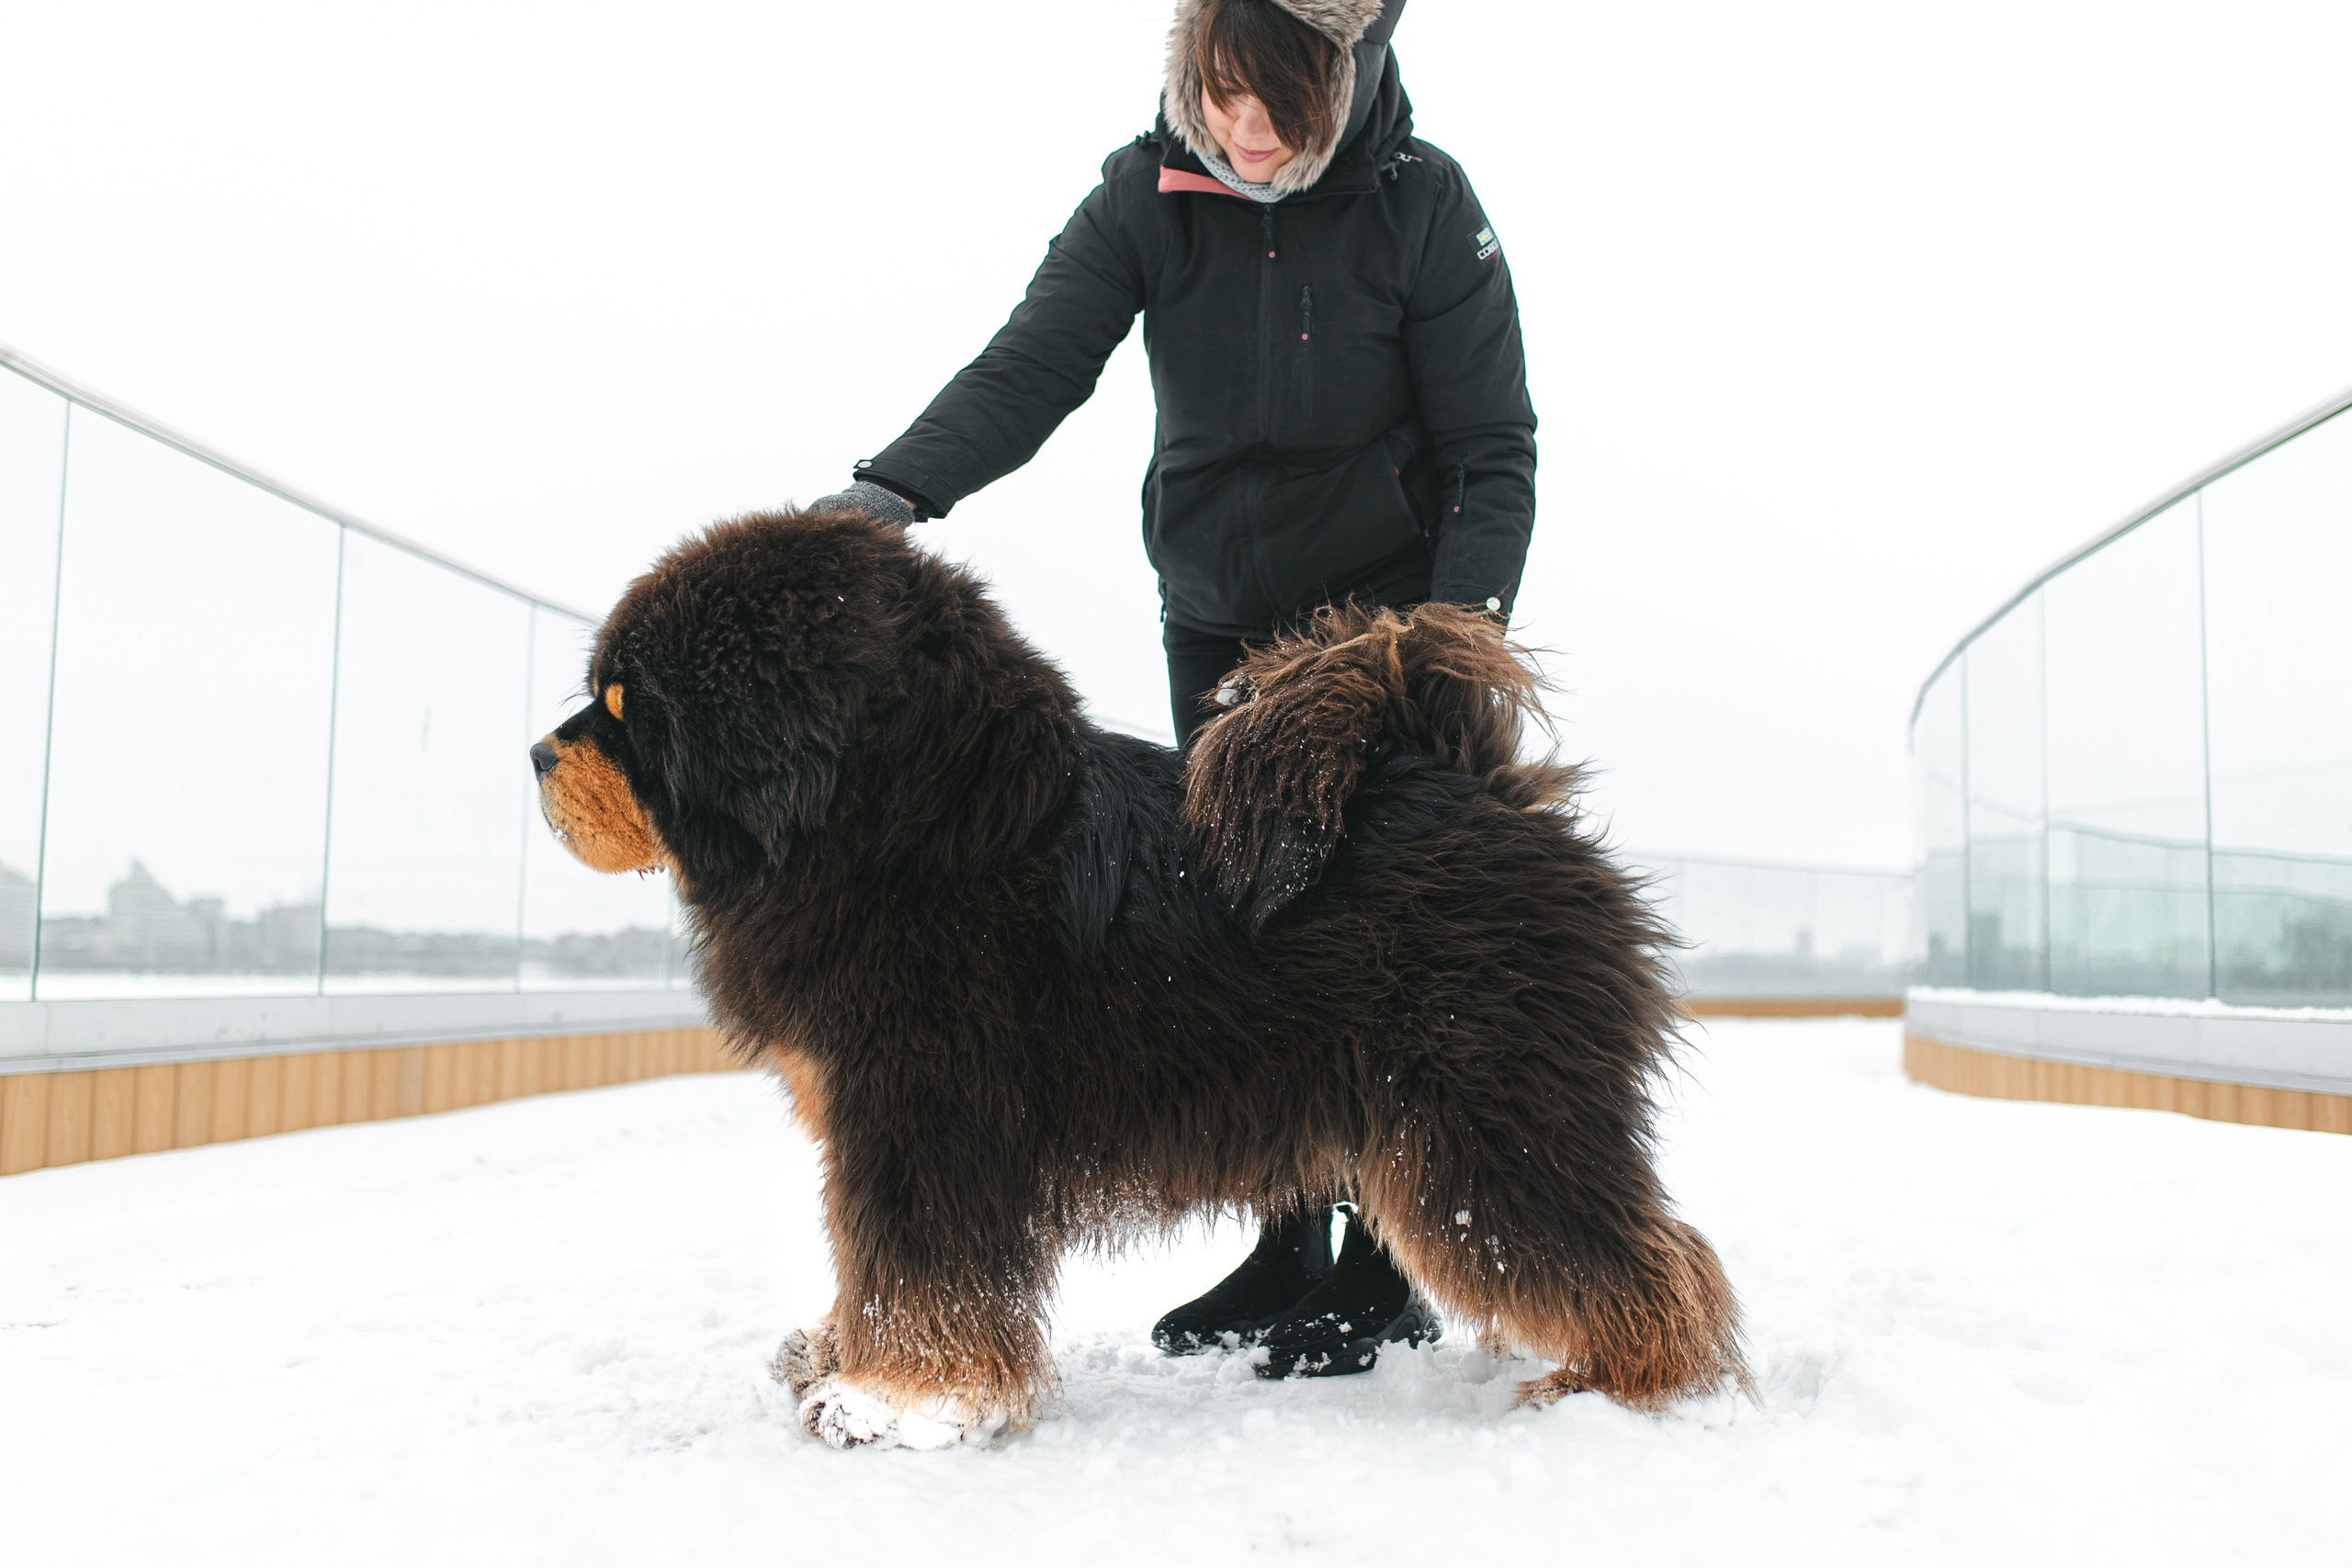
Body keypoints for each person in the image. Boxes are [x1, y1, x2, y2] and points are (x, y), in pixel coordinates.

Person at [810, 0, 1534, 1378]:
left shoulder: (1424, 205)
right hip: (1220, 621)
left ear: (1344, 75)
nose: (1242, 130)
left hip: (1384, 637)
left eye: (1276, 103)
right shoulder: (1147, 189)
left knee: (1378, 926)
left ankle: (1382, 1267)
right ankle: (1282, 1248)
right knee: (1243, 921)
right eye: (1217, 91)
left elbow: (1491, 448)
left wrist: (1454, 639)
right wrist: (892, 489)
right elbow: (1035, 363)